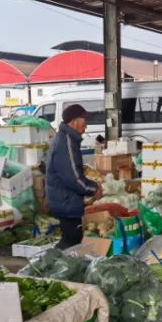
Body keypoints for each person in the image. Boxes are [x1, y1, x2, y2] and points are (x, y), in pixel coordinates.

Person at [46, 104, 99, 249]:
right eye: (84, 120)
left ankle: (57, 265)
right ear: (73, 121)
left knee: (71, 240)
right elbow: (73, 178)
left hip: (64, 200)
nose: (86, 125)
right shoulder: (66, 142)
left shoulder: (66, 138)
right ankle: (54, 266)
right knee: (71, 242)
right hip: (66, 201)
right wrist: (93, 189)